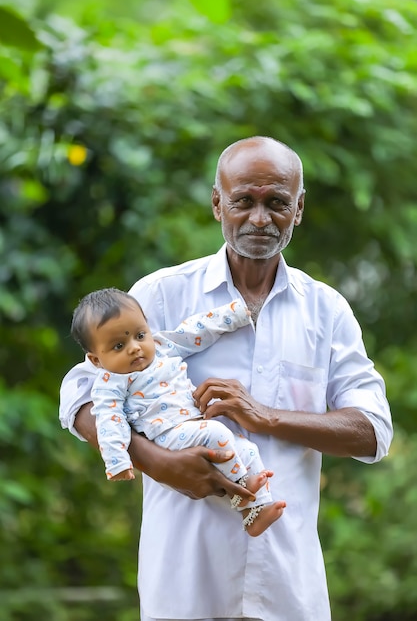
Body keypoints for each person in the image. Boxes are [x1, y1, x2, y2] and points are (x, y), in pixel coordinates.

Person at [60, 136, 393, 621]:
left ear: (298, 210)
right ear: (218, 203)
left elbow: (373, 431)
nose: (260, 218)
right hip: (184, 578)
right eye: (244, 201)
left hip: (287, 584)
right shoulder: (160, 296)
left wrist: (266, 417)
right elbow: (81, 397)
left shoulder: (326, 310)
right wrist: (156, 461)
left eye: (277, 203)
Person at [70, 287, 286, 535]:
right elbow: (109, 421)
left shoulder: (162, 348)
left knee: (248, 448)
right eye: (119, 345)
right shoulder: (111, 384)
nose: (134, 348)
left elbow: (195, 330)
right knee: (217, 433)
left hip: (193, 424)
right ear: (96, 360)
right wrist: (117, 461)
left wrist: (233, 314)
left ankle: (256, 509)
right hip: (167, 435)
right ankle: (243, 490)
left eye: (140, 335)